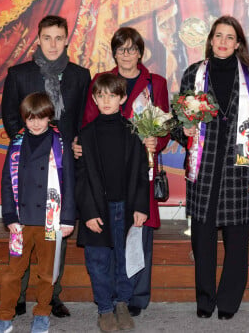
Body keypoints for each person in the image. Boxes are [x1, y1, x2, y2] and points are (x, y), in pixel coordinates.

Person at [171, 15, 249, 320]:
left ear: (238, 42)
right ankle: (205, 299)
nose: (223, 42)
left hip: (239, 169)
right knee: (202, 241)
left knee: (237, 244)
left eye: (230, 37)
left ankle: (228, 301)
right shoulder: (193, 74)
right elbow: (178, 119)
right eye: (218, 36)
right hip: (204, 168)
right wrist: (183, 130)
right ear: (210, 39)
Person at [0, 15, 90, 320]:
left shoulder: (79, 75)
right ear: (38, 39)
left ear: (67, 40)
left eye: (58, 38)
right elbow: (11, 116)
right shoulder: (19, 74)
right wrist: (27, 146)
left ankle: (52, 296)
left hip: (62, 167)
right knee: (22, 231)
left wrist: (75, 143)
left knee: (55, 232)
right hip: (27, 164)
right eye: (47, 37)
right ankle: (19, 296)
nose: (53, 44)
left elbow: (81, 119)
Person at [75, 27, 170, 317]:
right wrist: (80, 145)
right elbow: (88, 124)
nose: (126, 54)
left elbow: (165, 124)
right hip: (105, 174)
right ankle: (112, 299)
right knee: (110, 239)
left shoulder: (155, 83)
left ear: (141, 52)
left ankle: (136, 298)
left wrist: (157, 140)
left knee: (138, 230)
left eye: (132, 49)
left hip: (141, 169)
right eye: (121, 49)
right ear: (114, 53)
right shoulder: (102, 82)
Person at [0, 92, 76, 333]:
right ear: (24, 119)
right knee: (12, 274)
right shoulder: (16, 142)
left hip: (50, 220)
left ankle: (42, 313)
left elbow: (69, 181)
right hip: (21, 222)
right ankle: (4, 317)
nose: (36, 123)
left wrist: (68, 218)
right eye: (30, 118)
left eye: (41, 117)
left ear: (50, 116)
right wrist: (9, 216)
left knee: (47, 274)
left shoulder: (60, 143)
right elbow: (7, 181)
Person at [75, 73, 150, 332]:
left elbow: (142, 173)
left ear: (123, 97)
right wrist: (88, 212)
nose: (106, 100)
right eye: (101, 95)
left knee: (125, 258)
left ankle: (122, 303)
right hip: (97, 209)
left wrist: (141, 207)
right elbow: (81, 179)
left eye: (112, 95)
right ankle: (105, 308)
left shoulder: (134, 132)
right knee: (98, 261)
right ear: (94, 99)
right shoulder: (84, 135)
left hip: (126, 208)